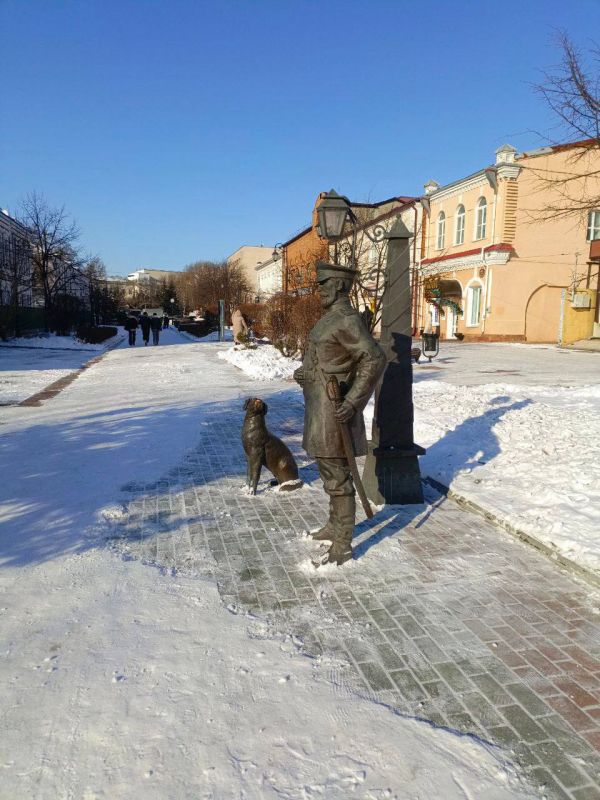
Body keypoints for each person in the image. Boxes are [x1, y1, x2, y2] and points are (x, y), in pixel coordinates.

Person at [294, 261, 386, 566]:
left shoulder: (347, 319)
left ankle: (343, 543)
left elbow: (374, 359)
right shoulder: (330, 318)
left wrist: (353, 401)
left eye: (324, 284)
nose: (319, 289)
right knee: (329, 474)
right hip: (319, 408)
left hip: (334, 412)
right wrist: (306, 373)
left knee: (337, 478)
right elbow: (330, 359)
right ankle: (335, 526)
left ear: (339, 286)